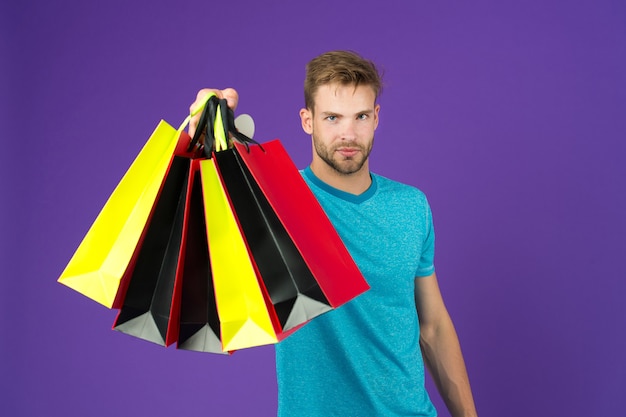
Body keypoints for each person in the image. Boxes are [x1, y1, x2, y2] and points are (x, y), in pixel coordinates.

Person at [189, 50, 478, 417]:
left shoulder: (412, 206)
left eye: (360, 117)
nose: (348, 133)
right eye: (332, 118)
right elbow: (201, 232)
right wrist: (204, 137)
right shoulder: (275, 202)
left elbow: (433, 326)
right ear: (307, 121)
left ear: (376, 118)